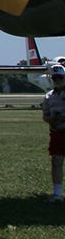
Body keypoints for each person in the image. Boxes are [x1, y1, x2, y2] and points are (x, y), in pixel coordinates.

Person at [44, 64, 65, 201]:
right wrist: (51, 120)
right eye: (54, 77)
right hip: (56, 131)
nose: (57, 79)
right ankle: (57, 193)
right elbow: (45, 115)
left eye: (60, 77)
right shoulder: (48, 96)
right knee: (56, 162)